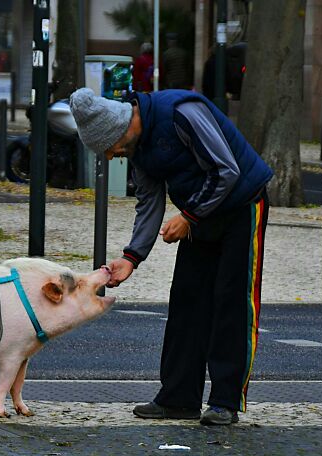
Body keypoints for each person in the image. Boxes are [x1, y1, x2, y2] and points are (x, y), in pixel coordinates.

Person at [68, 87, 272, 426]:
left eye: (109, 148)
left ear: (122, 130)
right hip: (201, 212)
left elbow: (227, 170)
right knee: (186, 303)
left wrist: (189, 216)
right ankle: (179, 398)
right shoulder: (138, 149)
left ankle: (225, 401)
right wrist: (132, 257)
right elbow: (149, 202)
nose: (111, 156)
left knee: (231, 303)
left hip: (242, 205)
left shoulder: (180, 112)